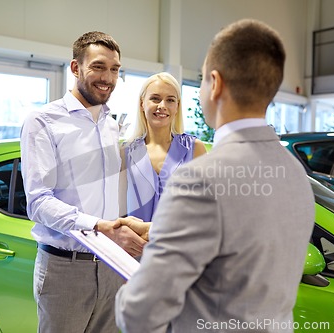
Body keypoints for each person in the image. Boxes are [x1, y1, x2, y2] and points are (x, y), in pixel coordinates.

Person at [115, 19, 315, 333]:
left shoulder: (200, 178)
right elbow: (235, 234)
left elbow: (140, 312)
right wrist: (155, 229)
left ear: (215, 84)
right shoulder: (296, 174)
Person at [20, 31, 146, 333]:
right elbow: (38, 202)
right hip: (66, 268)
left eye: (115, 69)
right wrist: (98, 226)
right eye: (99, 67)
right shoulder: (43, 121)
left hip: (114, 265)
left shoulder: (111, 125)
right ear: (76, 68)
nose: (108, 78)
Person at [119, 72, 207, 222]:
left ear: (177, 106)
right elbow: (120, 211)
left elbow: (205, 209)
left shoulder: (195, 149)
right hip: (133, 243)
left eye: (170, 100)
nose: (162, 106)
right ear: (142, 103)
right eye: (155, 99)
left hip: (179, 243)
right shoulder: (125, 152)